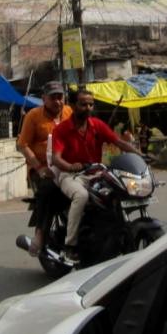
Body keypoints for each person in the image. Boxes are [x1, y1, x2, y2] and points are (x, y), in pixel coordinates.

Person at [51, 89, 143, 263]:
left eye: (91, 104)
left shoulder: (97, 125)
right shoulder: (62, 129)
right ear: (73, 106)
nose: (88, 108)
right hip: (70, 175)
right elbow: (56, 158)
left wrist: (139, 155)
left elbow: (119, 142)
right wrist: (70, 166)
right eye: (83, 104)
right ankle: (70, 247)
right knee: (81, 195)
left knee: (119, 191)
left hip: (96, 173)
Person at [15, 81, 72, 257]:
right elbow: (23, 145)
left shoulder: (69, 113)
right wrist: (39, 167)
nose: (57, 101)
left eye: (60, 97)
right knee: (48, 189)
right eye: (53, 97)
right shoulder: (33, 116)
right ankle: (39, 236)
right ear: (44, 99)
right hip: (42, 169)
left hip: (67, 166)